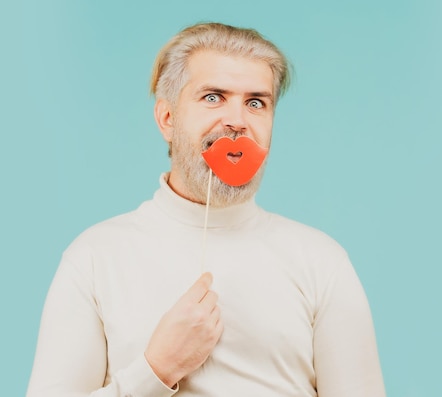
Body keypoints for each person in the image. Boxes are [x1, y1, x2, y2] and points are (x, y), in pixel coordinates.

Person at [26, 22, 386, 397]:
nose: (237, 121)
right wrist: (156, 370)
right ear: (167, 119)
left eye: (256, 102)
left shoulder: (322, 262)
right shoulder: (93, 258)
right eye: (213, 97)